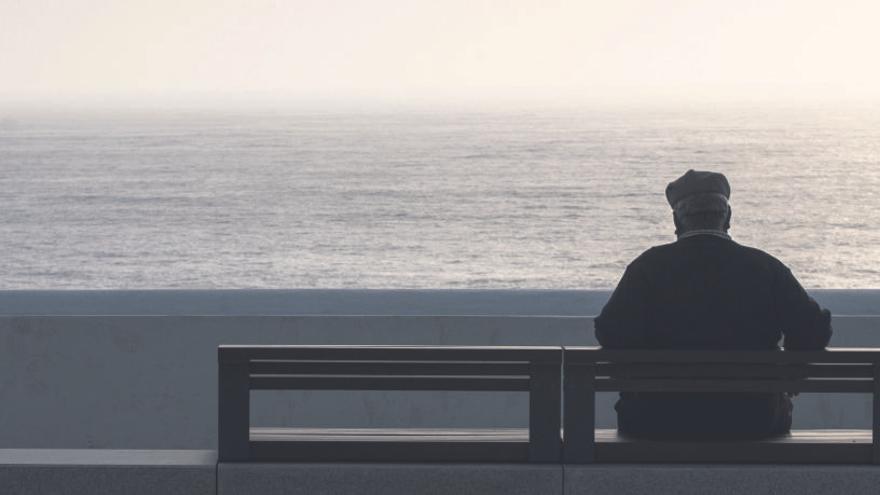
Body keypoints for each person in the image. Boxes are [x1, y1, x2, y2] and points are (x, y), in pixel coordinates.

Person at [594, 169, 832, 439]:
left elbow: (610, 330)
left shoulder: (647, 267)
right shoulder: (765, 267)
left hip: (655, 417)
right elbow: (813, 328)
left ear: (677, 220)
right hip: (754, 418)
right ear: (728, 217)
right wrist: (790, 375)